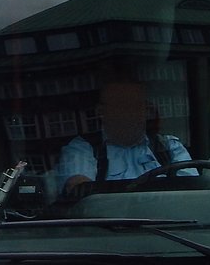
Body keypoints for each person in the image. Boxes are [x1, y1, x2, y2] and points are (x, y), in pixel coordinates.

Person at [48, 79, 195, 198]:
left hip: (168, 229)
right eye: (121, 105)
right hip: (108, 232)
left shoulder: (169, 148)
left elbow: (193, 193)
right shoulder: (82, 148)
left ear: (146, 110)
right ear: (101, 112)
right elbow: (79, 191)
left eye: (137, 106)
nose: (131, 113)